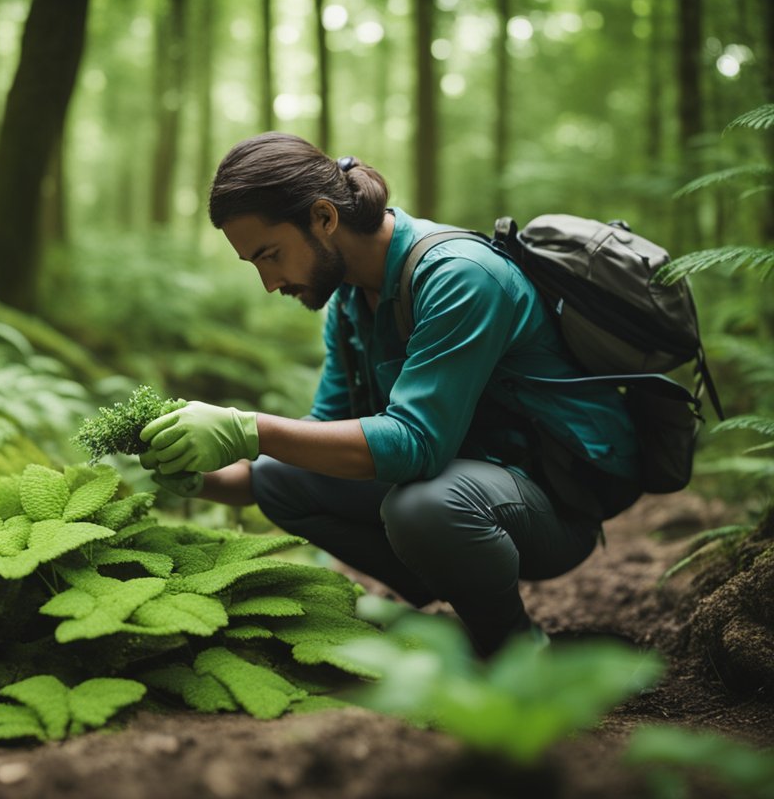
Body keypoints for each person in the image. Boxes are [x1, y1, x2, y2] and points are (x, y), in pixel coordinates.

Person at [137, 132, 640, 656]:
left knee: (424, 506)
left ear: (324, 218)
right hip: (470, 488)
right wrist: (198, 475)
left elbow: (416, 445)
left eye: (271, 255)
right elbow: (314, 448)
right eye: (255, 264)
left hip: (554, 508)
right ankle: (455, 613)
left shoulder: (459, 276)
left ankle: (518, 653)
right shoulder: (351, 301)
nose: (269, 282)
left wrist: (248, 428)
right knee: (286, 473)